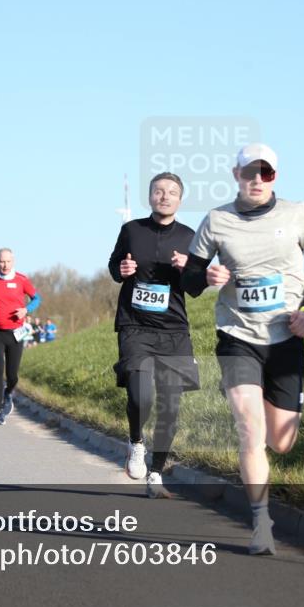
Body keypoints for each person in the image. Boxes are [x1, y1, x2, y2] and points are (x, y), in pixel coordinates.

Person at [182, 144, 304, 554]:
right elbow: (190, 280)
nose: (257, 180)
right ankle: (261, 522)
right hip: (237, 336)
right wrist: (207, 277)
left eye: (266, 173)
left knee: (281, 442)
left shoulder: (295, 214)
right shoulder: (217, 220)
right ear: (236, 174)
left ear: (274, 177)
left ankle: (272, 415)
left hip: (285, 339)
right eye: (250, 172)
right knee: (250, 429)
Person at [108, 172, 200, 498]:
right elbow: (114, 265)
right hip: (135, 326)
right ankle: (136, 442)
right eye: (159, 191)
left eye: (172, 192)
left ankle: (157, 472)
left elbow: (197, 287)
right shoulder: (131, 230)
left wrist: (188, 269)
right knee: (141, 395)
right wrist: (121, 270)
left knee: (170, 406)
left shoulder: (190, 236)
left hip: (173, 330)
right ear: (149, 196)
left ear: (180, 200)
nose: (164, 196)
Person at [0, 248, 41, 424]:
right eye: (2, 262)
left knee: (12, 376)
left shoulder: (22, 280)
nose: (5, 265)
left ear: (13, 261)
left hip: (15, 334)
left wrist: (26, 310)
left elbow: (37, 299)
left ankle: (8, 393)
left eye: (8, 261)